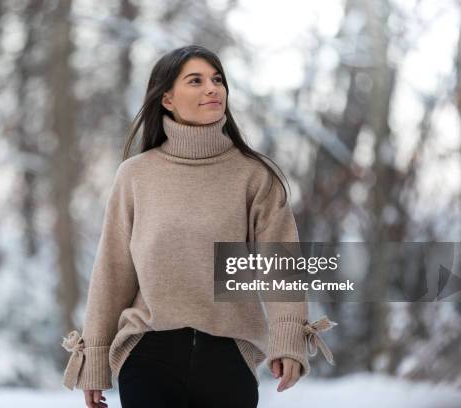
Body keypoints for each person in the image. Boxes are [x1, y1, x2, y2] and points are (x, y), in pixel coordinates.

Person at [61, 45, 337, 408]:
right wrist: (94, 357)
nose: (212, 88)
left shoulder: (255, 176)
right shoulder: (135, 176)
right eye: (196, 80)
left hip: (228, 359)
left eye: (217, 79)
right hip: (147, 354)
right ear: (168, 99)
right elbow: (113, 272)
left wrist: (287, 339)